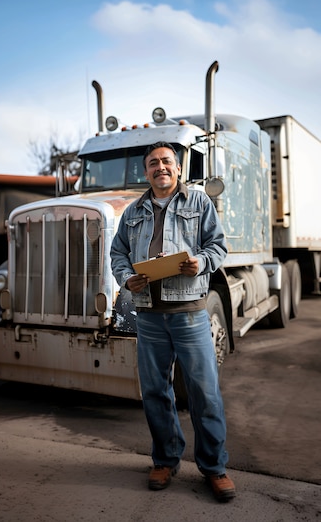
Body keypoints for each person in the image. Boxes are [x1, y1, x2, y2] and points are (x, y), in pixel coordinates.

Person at [110, 141, 236, 502]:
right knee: (154, 392)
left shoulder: (198, 202)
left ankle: (214, 468)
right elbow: (118, 252)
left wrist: (199, 261)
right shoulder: (133, 211)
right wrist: (125, 278)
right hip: (149, 316)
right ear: (146, 171)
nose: (160, 167)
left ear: (178, 169)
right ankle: (165, 459)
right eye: (153, 163)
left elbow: (218, 245)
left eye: (166, 161)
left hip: (190, 313)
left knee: (204, 393)